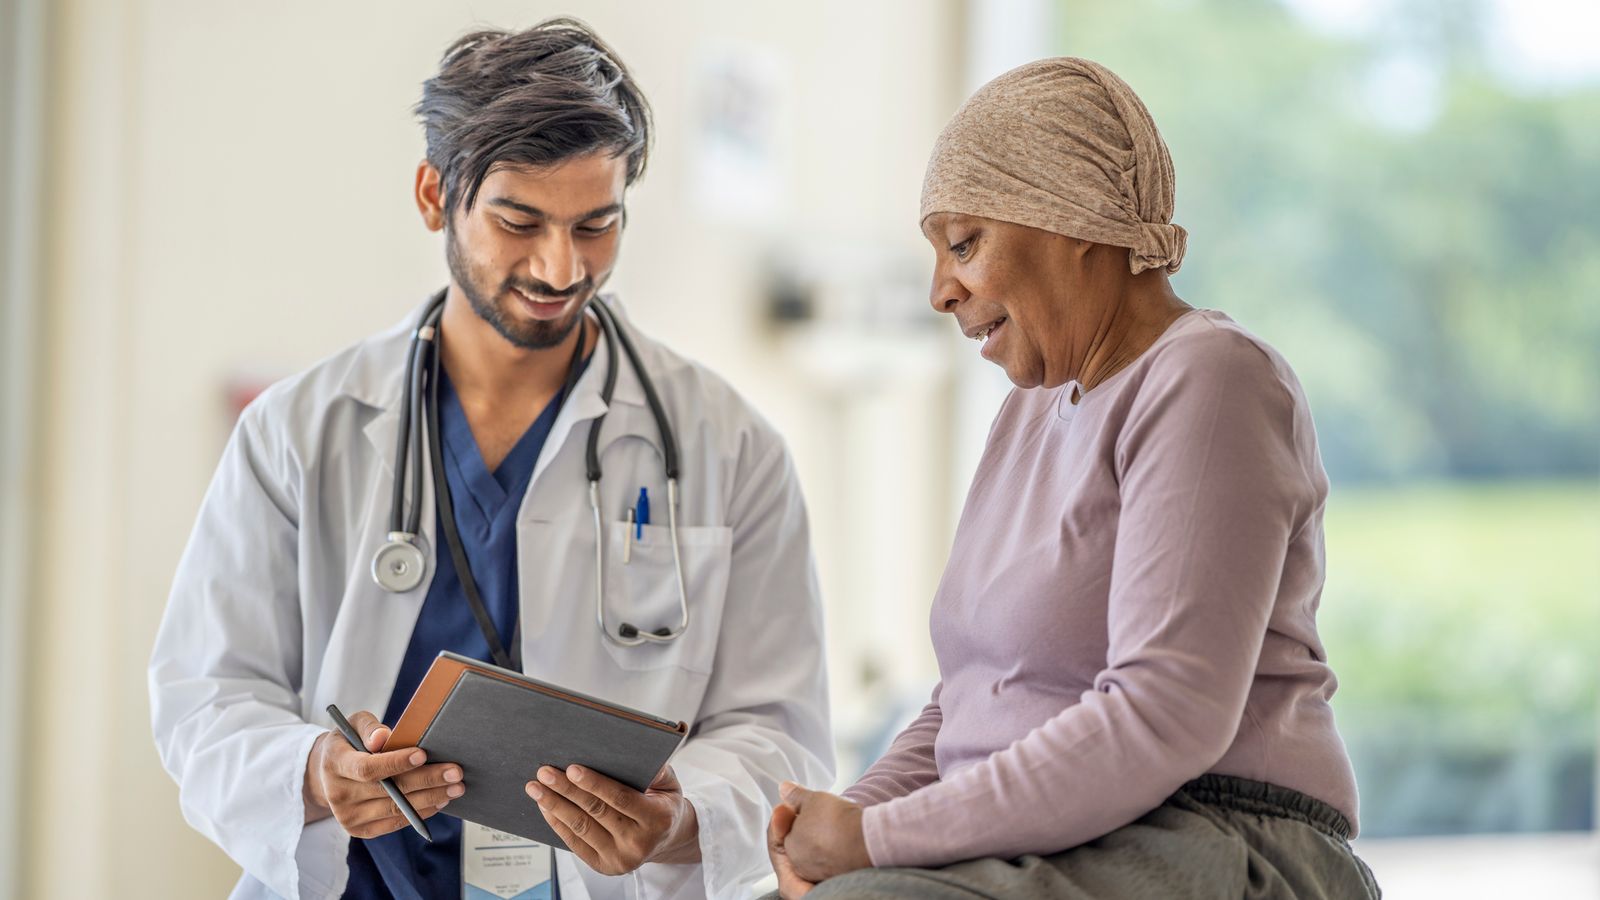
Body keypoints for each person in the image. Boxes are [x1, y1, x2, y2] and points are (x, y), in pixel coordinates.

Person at [149, 19, 832, 900]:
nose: (560, 266)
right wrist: (317, 773)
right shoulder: (301, 433)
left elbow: (782, 728)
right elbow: (208, 695)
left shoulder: (728, 446)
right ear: (435, 195)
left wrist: (681, 818)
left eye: (597, 225)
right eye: (519, 221)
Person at [765, 58, 1379, 899]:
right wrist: (835, 828)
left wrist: (875, 842)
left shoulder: (1211, 377)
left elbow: (1166, 713)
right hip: (1064, 842)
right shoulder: (1030, 411)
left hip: (1222, 832)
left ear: (1077, 221)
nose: (941, 290)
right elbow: (969, 699)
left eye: (964, 244)